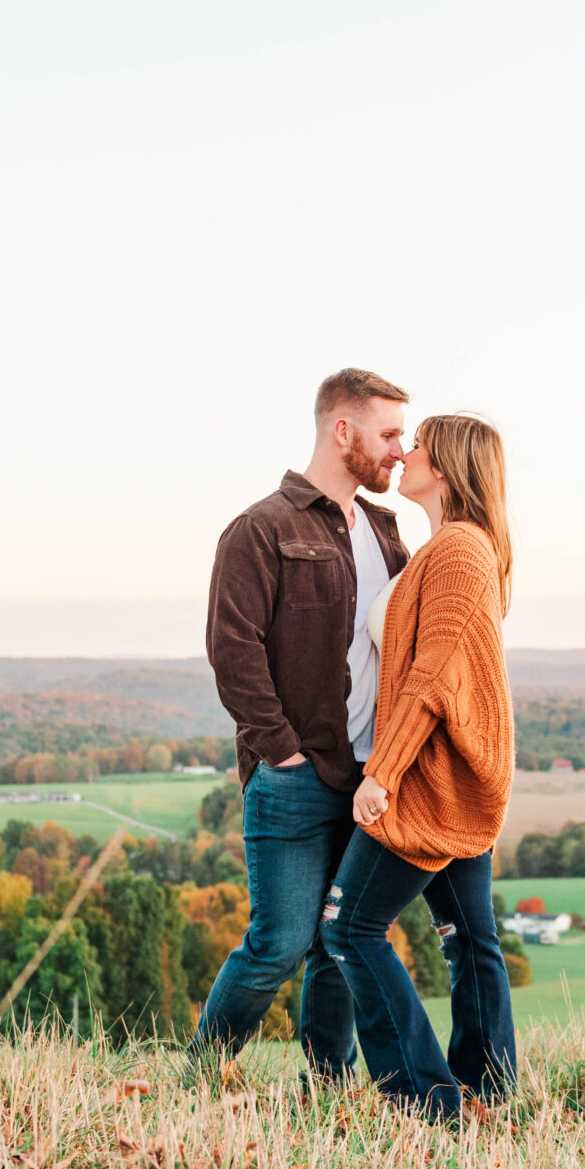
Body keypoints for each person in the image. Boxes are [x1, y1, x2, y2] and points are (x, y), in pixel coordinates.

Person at [193, 368, 412, 1082]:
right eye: (387, 434)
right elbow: (233, 649)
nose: (399, 451)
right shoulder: (261, 528)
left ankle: (328, 1085)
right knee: (279, 942)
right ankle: (201, 1072)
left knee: (339, 943)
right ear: (340, 430)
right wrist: (282, 753)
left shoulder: (385, 528)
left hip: (367, 777)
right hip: (294, 778)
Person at [323, 412, 517, 1120]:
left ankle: (426, 1098)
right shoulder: (444, 549)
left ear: (451, 465)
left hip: (430, 780)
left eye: (420, 446)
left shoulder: (460, 552)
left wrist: (382, 772)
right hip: (449, 774)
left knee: (349, 927)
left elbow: (433, 676)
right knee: (470, 937)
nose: (404, 453)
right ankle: (487, 1090)